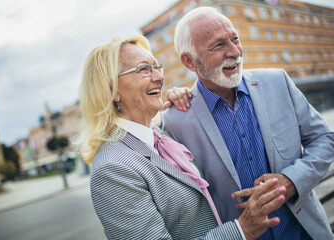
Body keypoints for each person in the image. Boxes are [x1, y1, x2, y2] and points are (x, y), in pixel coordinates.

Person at [78, 34, 288, 240]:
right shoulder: (112, 168)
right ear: (111, 89)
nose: (160, 77)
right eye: (143, 69)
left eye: (156, 66)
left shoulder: (160, 135)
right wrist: (241, 231)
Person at [162, 6, 334, 240]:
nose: (235, 51)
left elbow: (325, 139)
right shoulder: (174, 121)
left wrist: (292, 181)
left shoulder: (278, 81)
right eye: (219, 45)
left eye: (235, 39)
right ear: (190, 61)